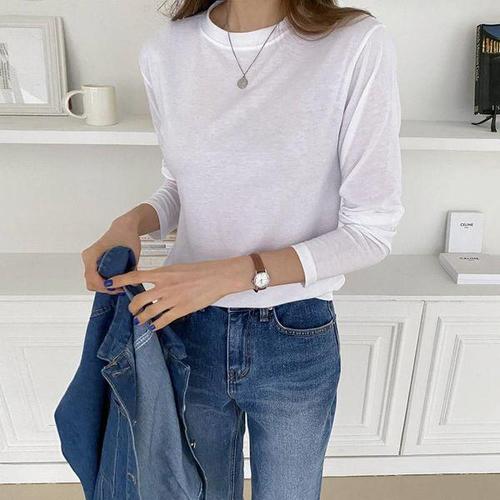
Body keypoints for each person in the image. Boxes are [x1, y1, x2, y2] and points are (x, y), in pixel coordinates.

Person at [81, 0, 405, 498]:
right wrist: (131, 223)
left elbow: (371, 230)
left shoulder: (354, 42)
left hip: (294, 329)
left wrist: (232, 275)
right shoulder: (166, 50)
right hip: (184, 326)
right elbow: (182, 184)